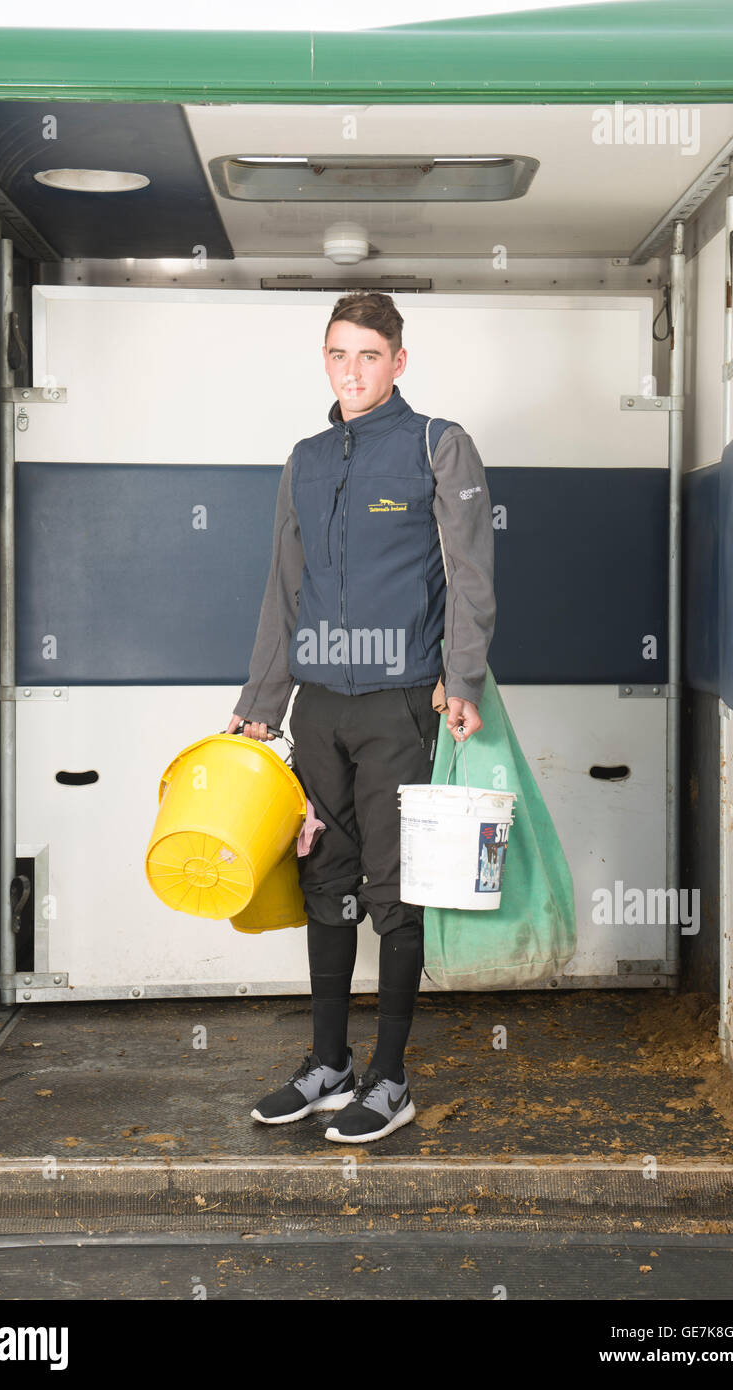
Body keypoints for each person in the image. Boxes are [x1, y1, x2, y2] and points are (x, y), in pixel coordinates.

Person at [225, 291, 495, 1143]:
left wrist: (462, 679)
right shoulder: (304, 458)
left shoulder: (436, 445)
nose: (352, 372)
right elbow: (284, 589)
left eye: (369, 356)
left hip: (398, 707)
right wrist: (261, 706)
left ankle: (390, 1078)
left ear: (398, 362)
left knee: (396, 889)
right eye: (338, 355)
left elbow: (469, 575)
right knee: (323, 881)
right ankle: (328, 1064)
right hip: (319, 707)